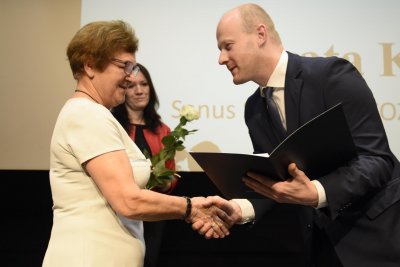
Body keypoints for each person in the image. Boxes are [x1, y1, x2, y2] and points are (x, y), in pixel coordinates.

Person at [214, 3, 400, 267]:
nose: (221, 58)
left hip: (378, 241)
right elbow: (275, 181)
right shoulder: (253, 108)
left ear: (260, 34)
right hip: (321, 250)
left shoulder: (332, 76)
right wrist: (239, 209)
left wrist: (316, 192)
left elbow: (377, 160)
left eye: (227, 46)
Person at [43, 20, 234, 267]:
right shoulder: (86, 115)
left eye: (132, 68)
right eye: (124, 66)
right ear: (90, 65)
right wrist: (190, 207)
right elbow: (128, 201)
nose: (129, 77)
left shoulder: (94, 114)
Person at [111, 63, 178, 267]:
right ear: (123, 90)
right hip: (120, 211)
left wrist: (166, 181)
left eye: (144, 84)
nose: (139, 91)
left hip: (153, 212)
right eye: (131, 86)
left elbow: (171, 173)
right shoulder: (112, 125)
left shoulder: (163, 130)